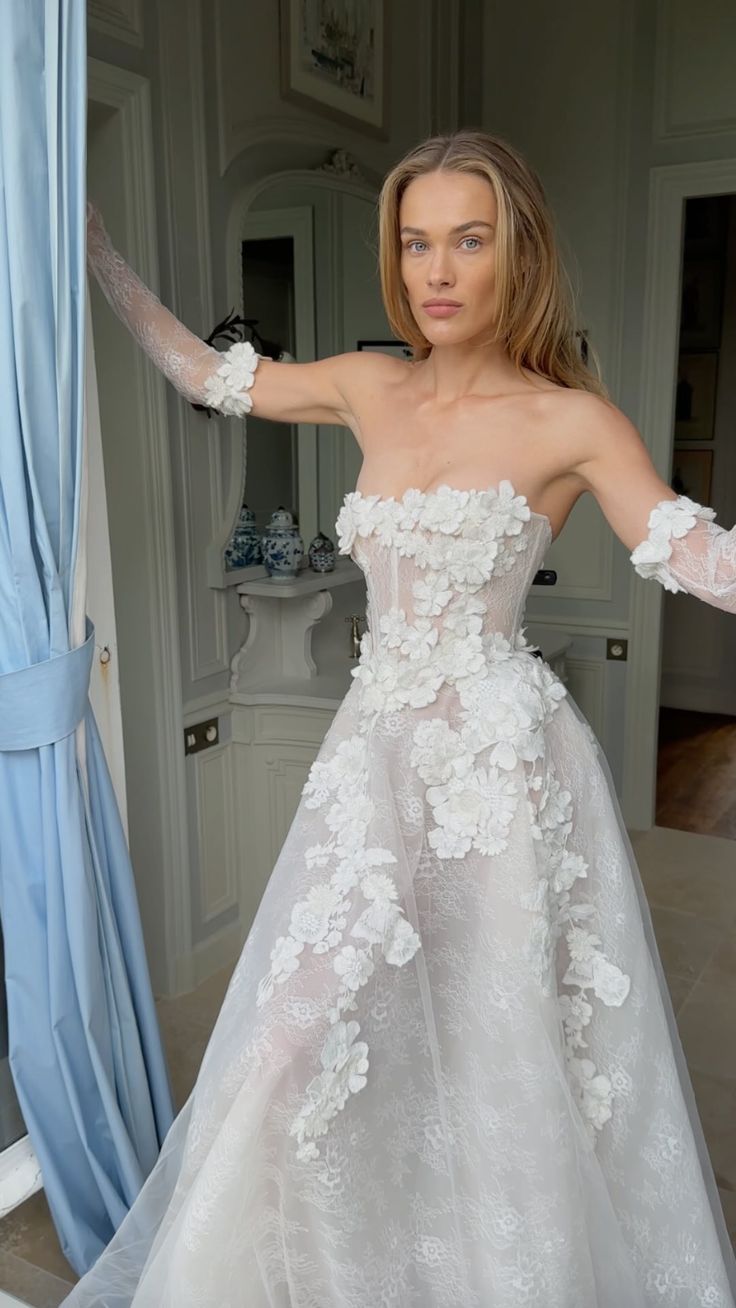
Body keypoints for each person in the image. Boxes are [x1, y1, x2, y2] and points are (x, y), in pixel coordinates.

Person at [66, 130, 736, 1306]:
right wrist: (87, 247)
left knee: (499, 1054)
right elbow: (203, 375)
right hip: (374, 759)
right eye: (415, 241)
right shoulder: (368, 384)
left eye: (467, 241)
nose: (436, 271)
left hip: (497, 767)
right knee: (289, 1035)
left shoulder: (572, 421)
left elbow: (694, 552)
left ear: (513, 253)